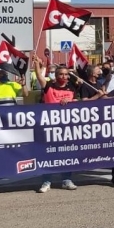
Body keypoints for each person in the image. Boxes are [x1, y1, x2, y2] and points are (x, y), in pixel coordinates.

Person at [34, 61, 78, 192]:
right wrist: (37, 65)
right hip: (50, 126)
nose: (63, 77)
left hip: (66, 127)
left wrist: (71, 101)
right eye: (60, 74)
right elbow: (39, 77)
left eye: (65, 74)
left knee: (67, 154)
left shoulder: (72, 88)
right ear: (55, 75)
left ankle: (66, 180)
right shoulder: (49, 86)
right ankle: (46, 181)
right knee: (48, 155)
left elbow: (78, 102)